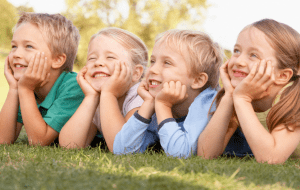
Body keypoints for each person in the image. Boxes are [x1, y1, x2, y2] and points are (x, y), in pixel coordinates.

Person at [198, 19, 300, 164]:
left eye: (253, 55)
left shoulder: (293, 98)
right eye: (237, 51)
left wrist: (242, 99)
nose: (239, 61)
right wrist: (230, 96)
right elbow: (205, 153)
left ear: (282, 76)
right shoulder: (238, 94)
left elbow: (271, 158)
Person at [113, 29, 223, 158]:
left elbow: (181, 153)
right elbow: (121, 150)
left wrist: (163, 106)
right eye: (153, 61)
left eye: (167, 63)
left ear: (198, 80)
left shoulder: (207, 103)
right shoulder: (156, 99)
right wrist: (148, 104)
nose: (152, 69)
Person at [0, 12, 84, 146]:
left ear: (57, 60)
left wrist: (25, 89)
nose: (16, 54)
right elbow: (3, 139)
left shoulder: (74, 86)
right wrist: (14, 88)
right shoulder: (29, 85)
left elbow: (39, 141)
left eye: (29, 46)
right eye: (14, 46)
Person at [59, 28, 148, 150]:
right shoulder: (97, 99)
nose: (98, 62)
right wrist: (91, 97)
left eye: (110, 57)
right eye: (92, 58)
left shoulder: (140, 96)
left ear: (136, 73)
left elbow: (123, 148)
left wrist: (109, 94)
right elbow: (69, 145)